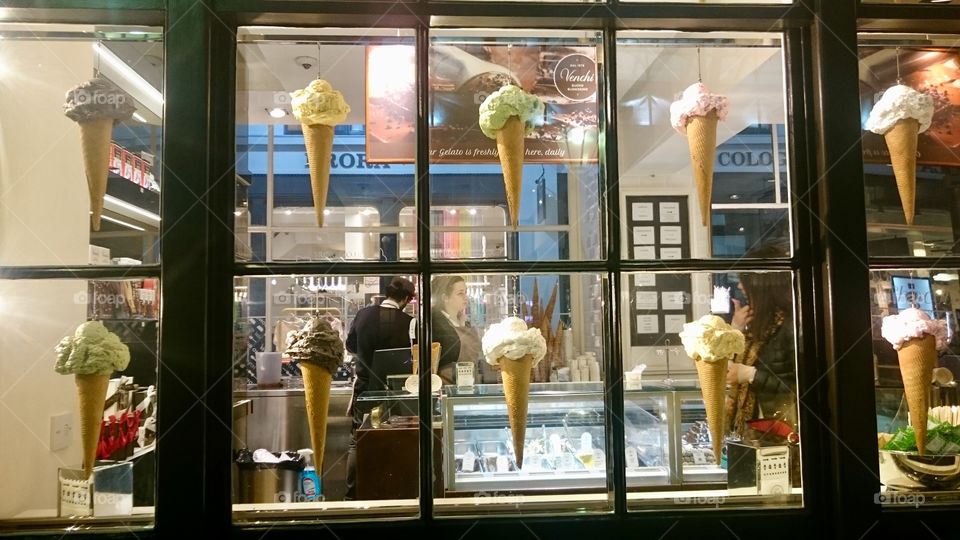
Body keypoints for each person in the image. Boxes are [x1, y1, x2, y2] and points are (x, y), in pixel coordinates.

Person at [344, 276, 416, 499]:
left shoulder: (363, 315)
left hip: (364, 388)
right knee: (396, 438)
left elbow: (350, 346)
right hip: (397, 391)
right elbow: (413, 357)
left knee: (359, 440)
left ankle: (353, 494)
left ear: (387, 294)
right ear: (406, 299)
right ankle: (393, 490)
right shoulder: (409, 322)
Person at [726, 245, 798, 436]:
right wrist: (735, 330)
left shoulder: (792, 326)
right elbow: (729, 368)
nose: (740, 287)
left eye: (745, 284)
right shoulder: (756, 325)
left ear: (762, 288)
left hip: (783, 431)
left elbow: (802, 390)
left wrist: (751, 375)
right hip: (754, 431)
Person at [431, 275, 483, 385]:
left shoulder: (465, 322)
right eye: (460, 293)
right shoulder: (435, 323)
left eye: (466, 292)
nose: (465, 297)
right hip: (447, 389)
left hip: (472, 386)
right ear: (445, 297)